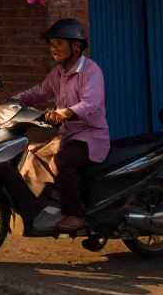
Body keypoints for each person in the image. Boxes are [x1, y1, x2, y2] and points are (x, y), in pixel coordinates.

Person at [15, 18, 109, 233]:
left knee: (62, 161)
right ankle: (49, 204)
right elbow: (39, 91)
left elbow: (91, 103)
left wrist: (65, 113)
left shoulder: (91, 71)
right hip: (68, 135)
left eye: (59, 43)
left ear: (75, 47)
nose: (53, 48)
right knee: (33, 155)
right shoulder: (58, 73)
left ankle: (76, 214)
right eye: (52, 44)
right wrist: (13, 101)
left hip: (90, 136)